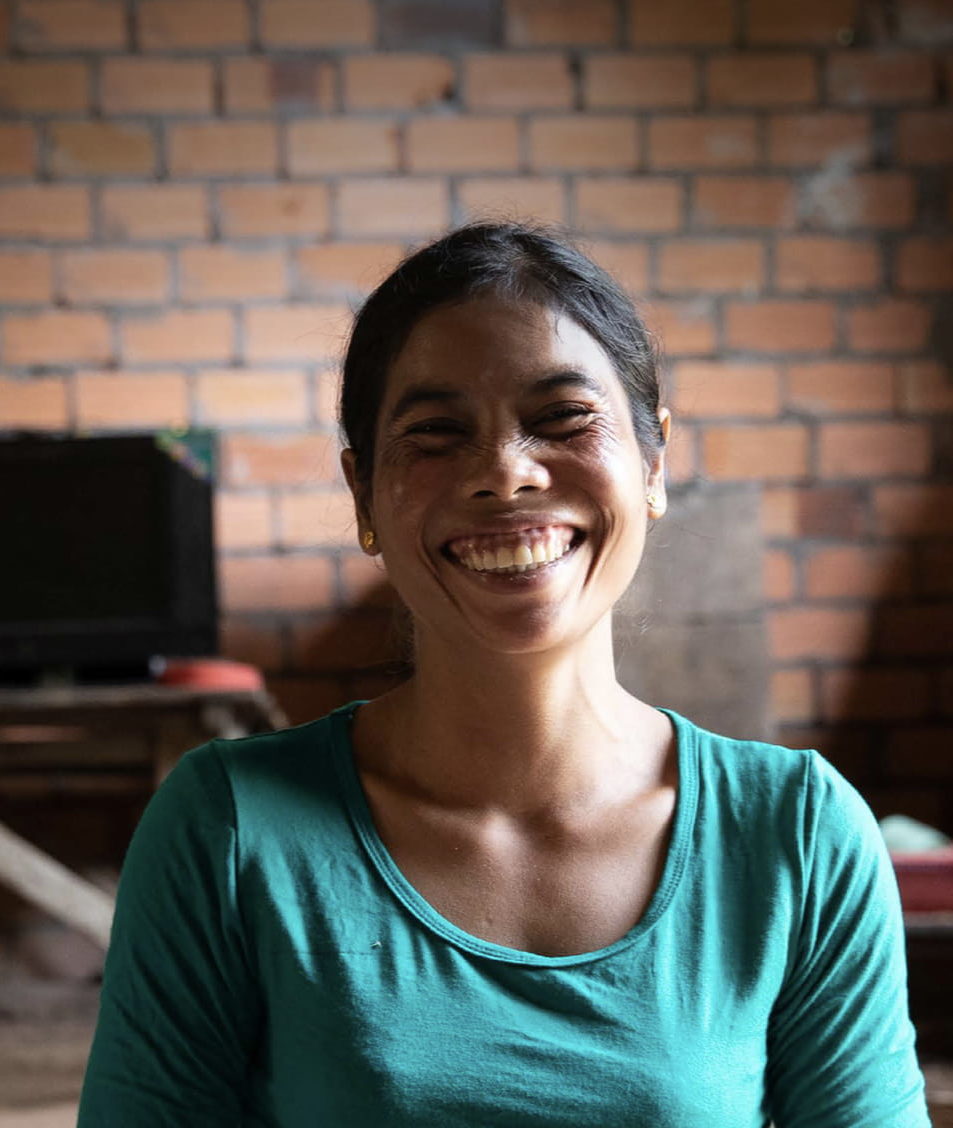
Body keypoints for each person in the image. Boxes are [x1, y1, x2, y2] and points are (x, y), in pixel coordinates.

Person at [78, 223, 929, 1127]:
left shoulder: (795, 833)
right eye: (435, 434)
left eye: (563, 419)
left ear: (651, 462)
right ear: (363, 497)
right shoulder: (231, 829)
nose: (504, 473)